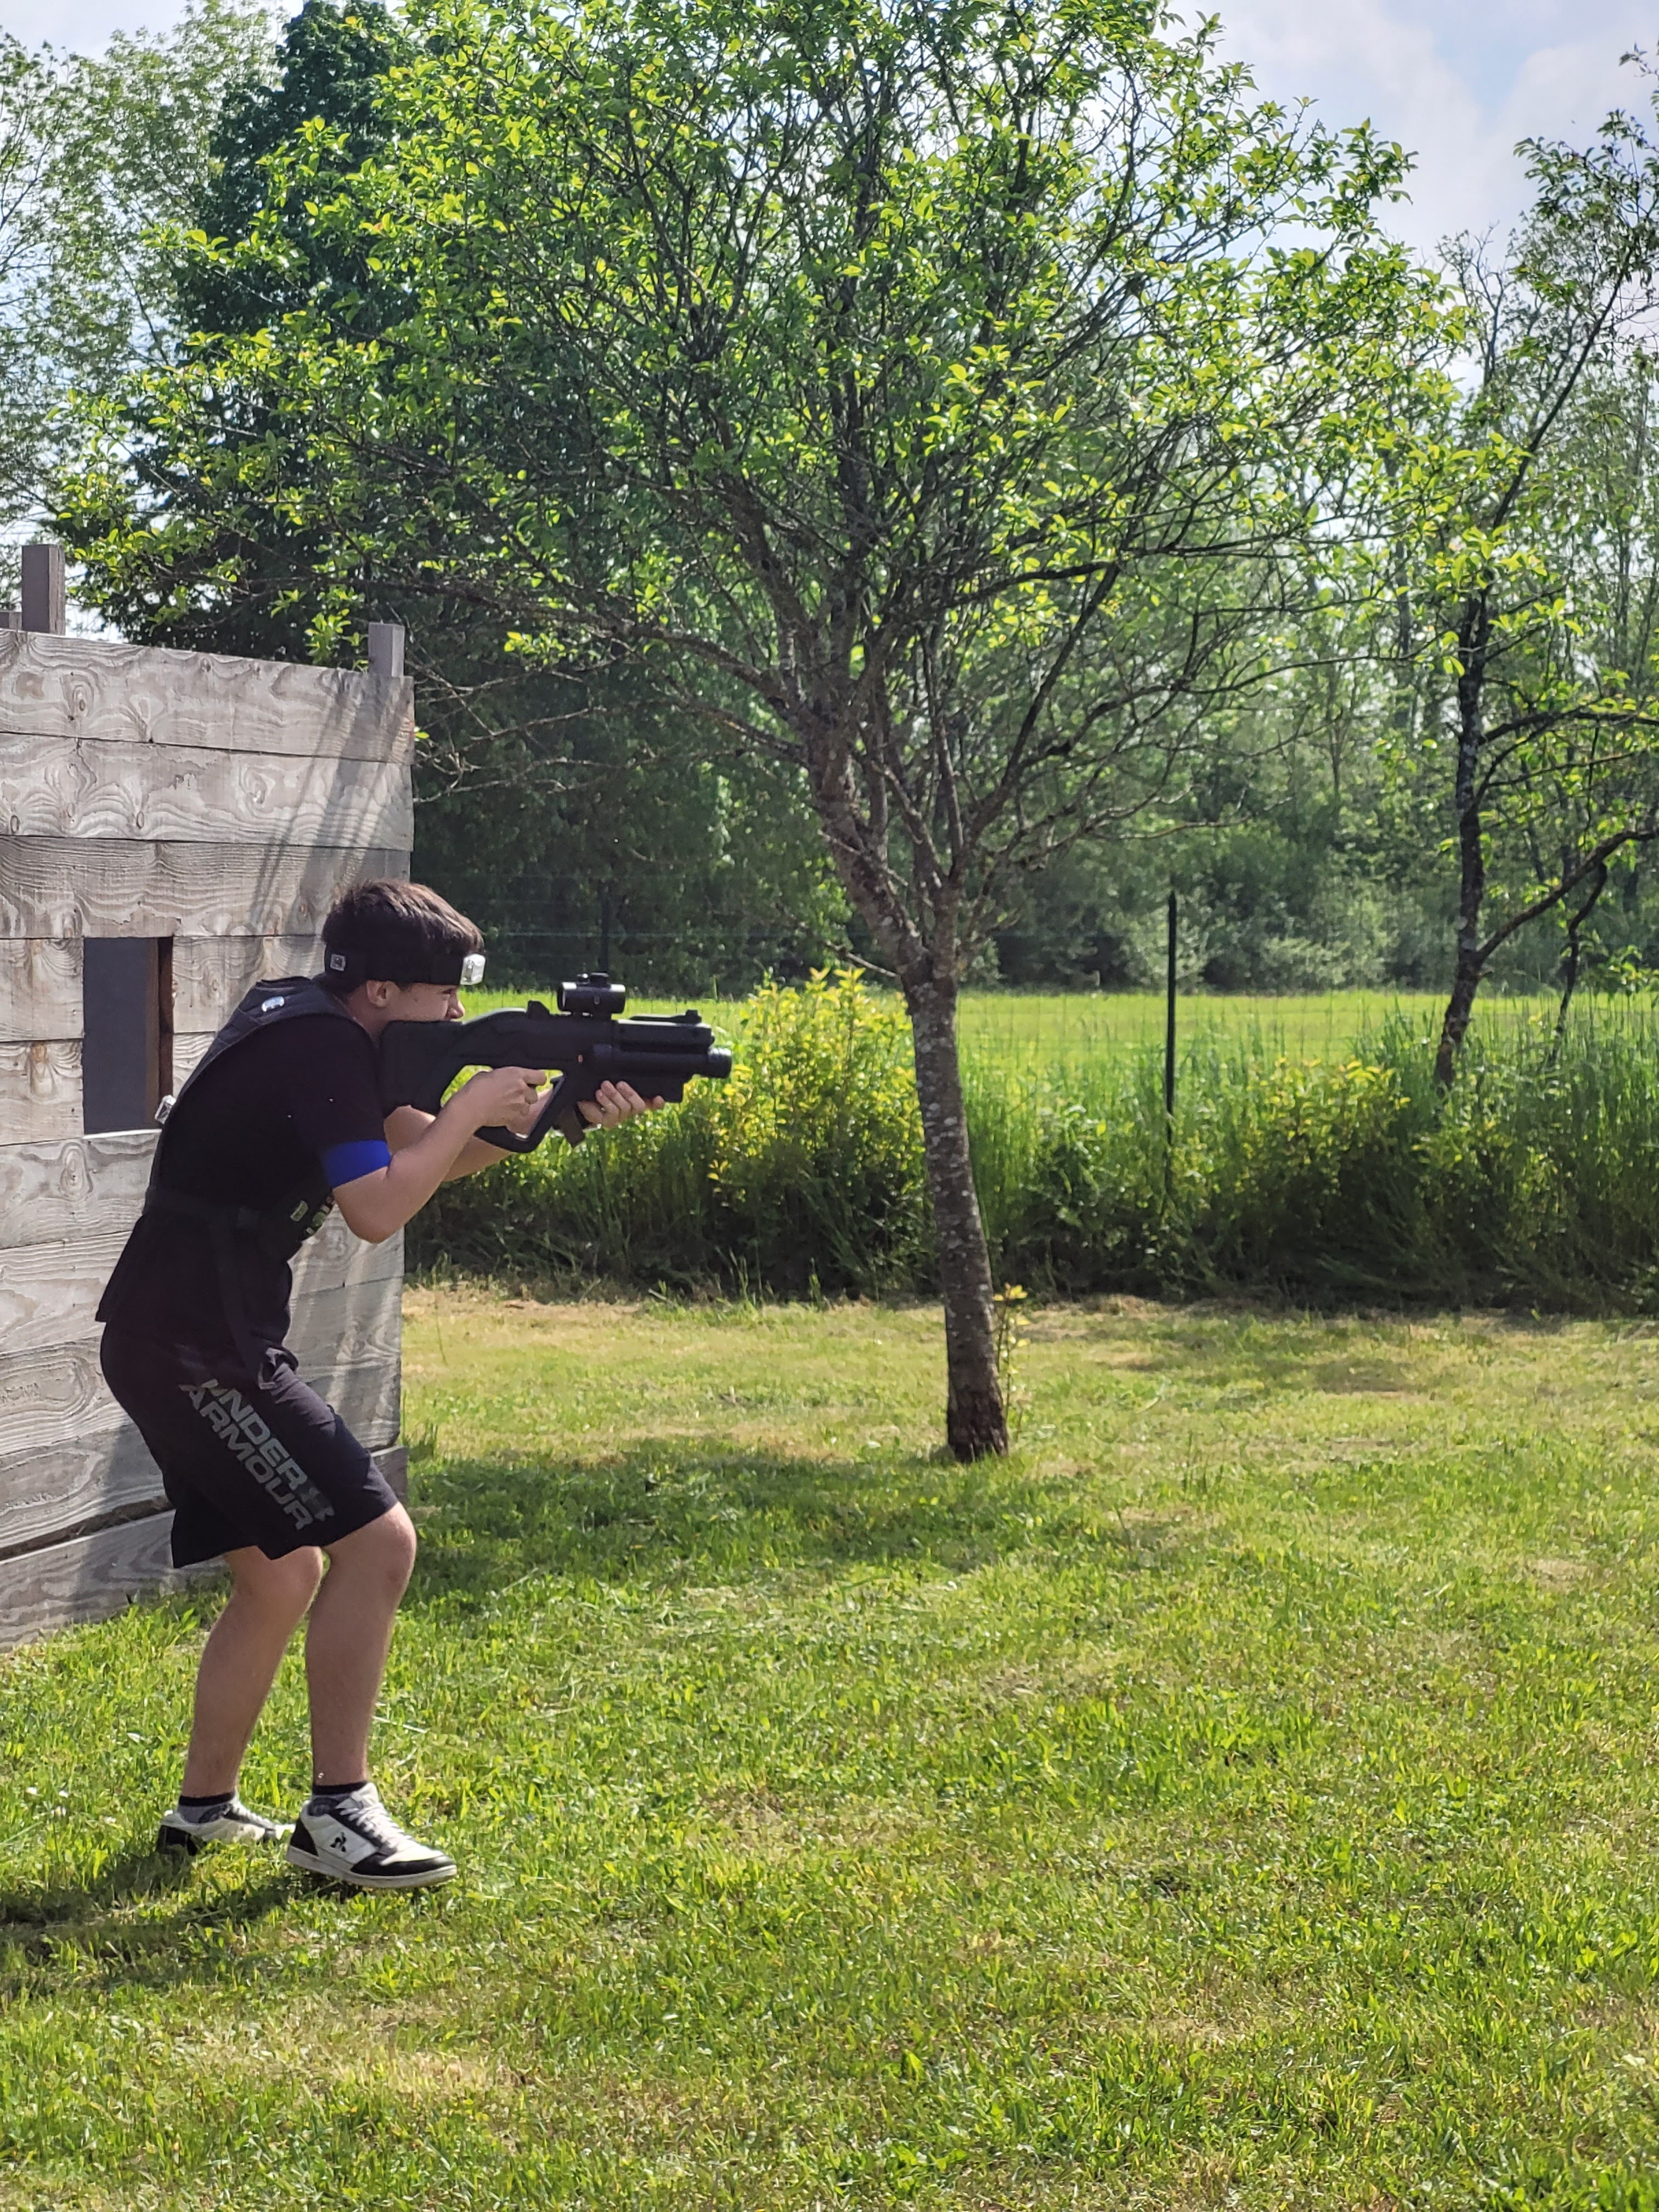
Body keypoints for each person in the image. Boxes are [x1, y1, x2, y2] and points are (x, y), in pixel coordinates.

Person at [96, 879, 659, 1891]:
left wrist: (553, 1117)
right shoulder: (321, 1049)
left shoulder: (315, 1028)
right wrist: (472, 1105)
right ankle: (338, 1813)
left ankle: (204, 1811)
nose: (457, 1013)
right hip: (198, 1349)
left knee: (282, 1576)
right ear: (383, 991)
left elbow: (417, 1154)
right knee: (380, 1544)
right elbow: (376, 1210)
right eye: (444, 995)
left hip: (178, 1334)